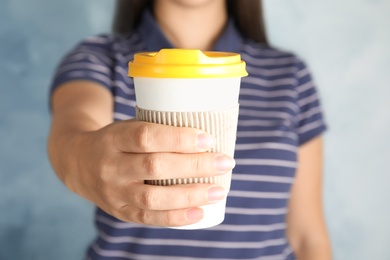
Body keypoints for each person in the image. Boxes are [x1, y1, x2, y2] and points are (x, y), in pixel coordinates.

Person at [48, 0, 332, 259]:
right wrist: (83, 158)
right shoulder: (99, 59)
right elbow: (72, 131)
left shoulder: (290, 74)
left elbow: (308, 238)